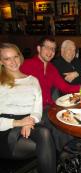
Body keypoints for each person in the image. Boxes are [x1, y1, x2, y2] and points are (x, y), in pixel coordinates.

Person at [20, 36, 81, 151]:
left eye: (53, 49)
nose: (50, 52)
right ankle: (62, 148)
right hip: (33, 109)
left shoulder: (51, 68)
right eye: (47, 48)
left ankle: (68, 144)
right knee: (56, 118)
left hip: (49, 105)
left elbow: (64, 87)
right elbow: (17, 91)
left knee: (69, 113)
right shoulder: (27, 65)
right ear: (38, 48)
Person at [0, 43, 56, 173]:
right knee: (47, 142)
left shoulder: (33, 81)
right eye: (7, 59)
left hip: (28, 126)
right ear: (1, 62)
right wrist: (19, 122)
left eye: (15, 56)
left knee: (45, 135)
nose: (13, 62)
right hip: (6, 130)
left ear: (20, 56)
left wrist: (29, 120)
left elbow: (37, 110)